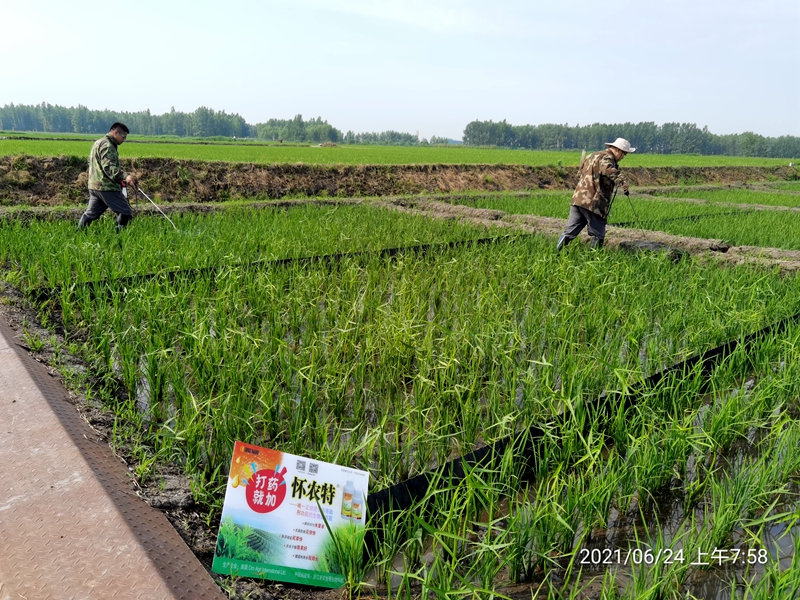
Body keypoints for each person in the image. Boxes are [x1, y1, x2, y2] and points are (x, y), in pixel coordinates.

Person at [556, 137, 635, 250]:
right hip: (593, 202)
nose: (623, 157)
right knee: (598, 234)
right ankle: (593, 262)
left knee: (569, 232)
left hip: (578, 199)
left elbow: (580, 173)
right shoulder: (607, 158)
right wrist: (623, 181)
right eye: (624, 154)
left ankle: (556, 253)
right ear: (618, 150)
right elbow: (607, 169)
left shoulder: (592, 155)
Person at [78, 122, 136, 232]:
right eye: (123, 136)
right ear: (115, 132)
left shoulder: (98, 142)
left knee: (90, 214)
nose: (124, 140)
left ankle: (78, 234)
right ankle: (118, 236)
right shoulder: (108, 146)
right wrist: (126, 176)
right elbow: (109, 168)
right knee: (125, 211)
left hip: (94, 186)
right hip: (106, 187)